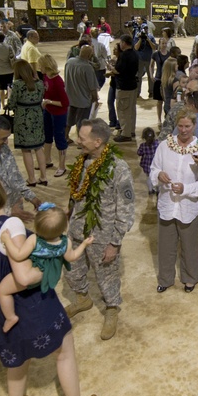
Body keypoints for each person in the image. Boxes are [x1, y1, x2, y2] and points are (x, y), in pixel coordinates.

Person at [63, 119, 136, 340]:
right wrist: (69, 211)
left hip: (102, 236)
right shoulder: (81, 161)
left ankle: (112, 309)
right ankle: (83, 299)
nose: (77, 142)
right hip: (77, 229)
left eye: (82, 139)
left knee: (106, 275)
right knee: (72, 269)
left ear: (98, 141)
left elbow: (126, 209)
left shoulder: (118, 168)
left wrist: (115, 243)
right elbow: (76, 191)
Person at [0, 202, 93, 332]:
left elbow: (18, 255)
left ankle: (10, 317)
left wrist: (7, 239)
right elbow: (72, 257)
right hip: (49, 276)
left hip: (32, 275)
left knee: (2, 290)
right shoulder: (66, 242)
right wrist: (84, 244)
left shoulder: (34, 239)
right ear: (65, 227)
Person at [149, 108, 198, 293]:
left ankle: (190, 277)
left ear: (194, 126)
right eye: (180, 126)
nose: (183, 130)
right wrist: (159, 175)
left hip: (188, 206)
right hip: (168, 204)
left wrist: (186, 189)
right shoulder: (164, 146)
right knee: (166, 245)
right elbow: (153, 168)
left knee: (189, 246)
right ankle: (165, 279)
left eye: (187, 126)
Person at [6, 59, 48, 185]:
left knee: (26, 150)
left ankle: (31, 178)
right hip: (37, 116)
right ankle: (44, 177)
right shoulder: (40, 83)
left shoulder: (17, 85)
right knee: (39, 148)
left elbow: (12, 103)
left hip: (22, 118)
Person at [37, 54, 69, 177]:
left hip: (59, 114)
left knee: (59, 138)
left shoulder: (57, 81)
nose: (39, 68)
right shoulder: (46, 77)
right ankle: (47, 160)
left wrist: (49, 101)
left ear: (46, 66)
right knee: (47, 135)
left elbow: (65, 103)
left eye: (41, 66)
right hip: (48, 111)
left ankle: (62, 166)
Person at [63, 45, 99, 141]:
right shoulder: (87, 67)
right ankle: (81, 141)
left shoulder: (69, 62)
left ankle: (65, 137)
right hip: (83, 100)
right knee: (82, 122)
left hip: (70, 98)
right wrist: (95, 99)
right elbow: (92, 87)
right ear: (90, 55)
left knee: (69, 120)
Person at [113, 34, 140, 142]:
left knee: (123, 111)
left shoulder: (124, 55)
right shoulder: (135, 54)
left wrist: (111, 68)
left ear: (124, 43)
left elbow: (118, 70)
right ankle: (131, 130)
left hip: (124, 87)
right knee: (131, 110)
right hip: (133, 85)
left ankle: (125, 133)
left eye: (120, 42)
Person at [137, 126, 159, 195]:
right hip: (156, 163)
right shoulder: (157, 143)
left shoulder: (143, 145)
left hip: (147, 164)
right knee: (157, 176)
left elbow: (139, 153)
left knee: (149, 177)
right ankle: (157, 190)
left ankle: (150, 190)